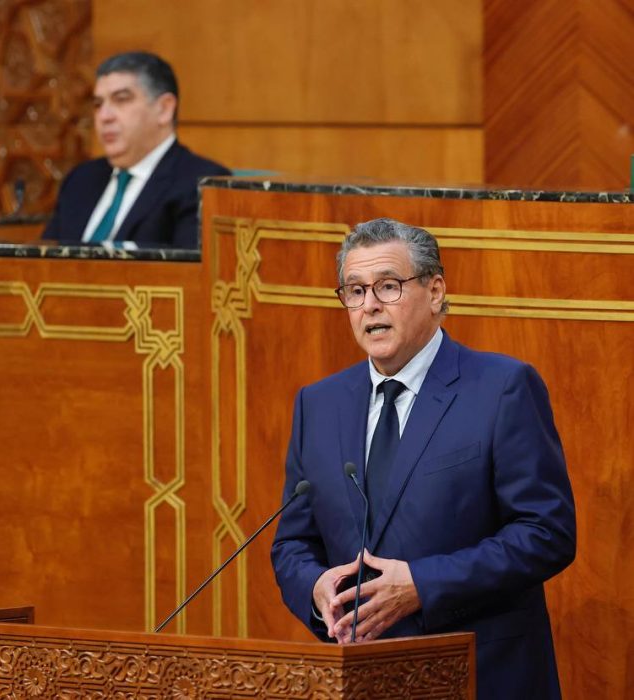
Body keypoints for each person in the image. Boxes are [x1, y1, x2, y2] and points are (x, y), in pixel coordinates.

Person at [270, 218, 576, 699]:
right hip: (360, 679)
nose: (370, 305)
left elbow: (547, 532)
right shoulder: (319, 404)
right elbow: (292, 543)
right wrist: (316, 589)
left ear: (435, 292)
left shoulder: (501, 388)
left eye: (388, 286)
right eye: (355, 291)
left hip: (479, 675)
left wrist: (422, 584)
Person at [43, 51, 230, 248]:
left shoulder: (203, 185)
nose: (104, 116)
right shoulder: (80, 179)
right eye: (98, 104)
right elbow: (43, 258)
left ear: (164, 109)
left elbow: (190, 265)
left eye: (121, 100)